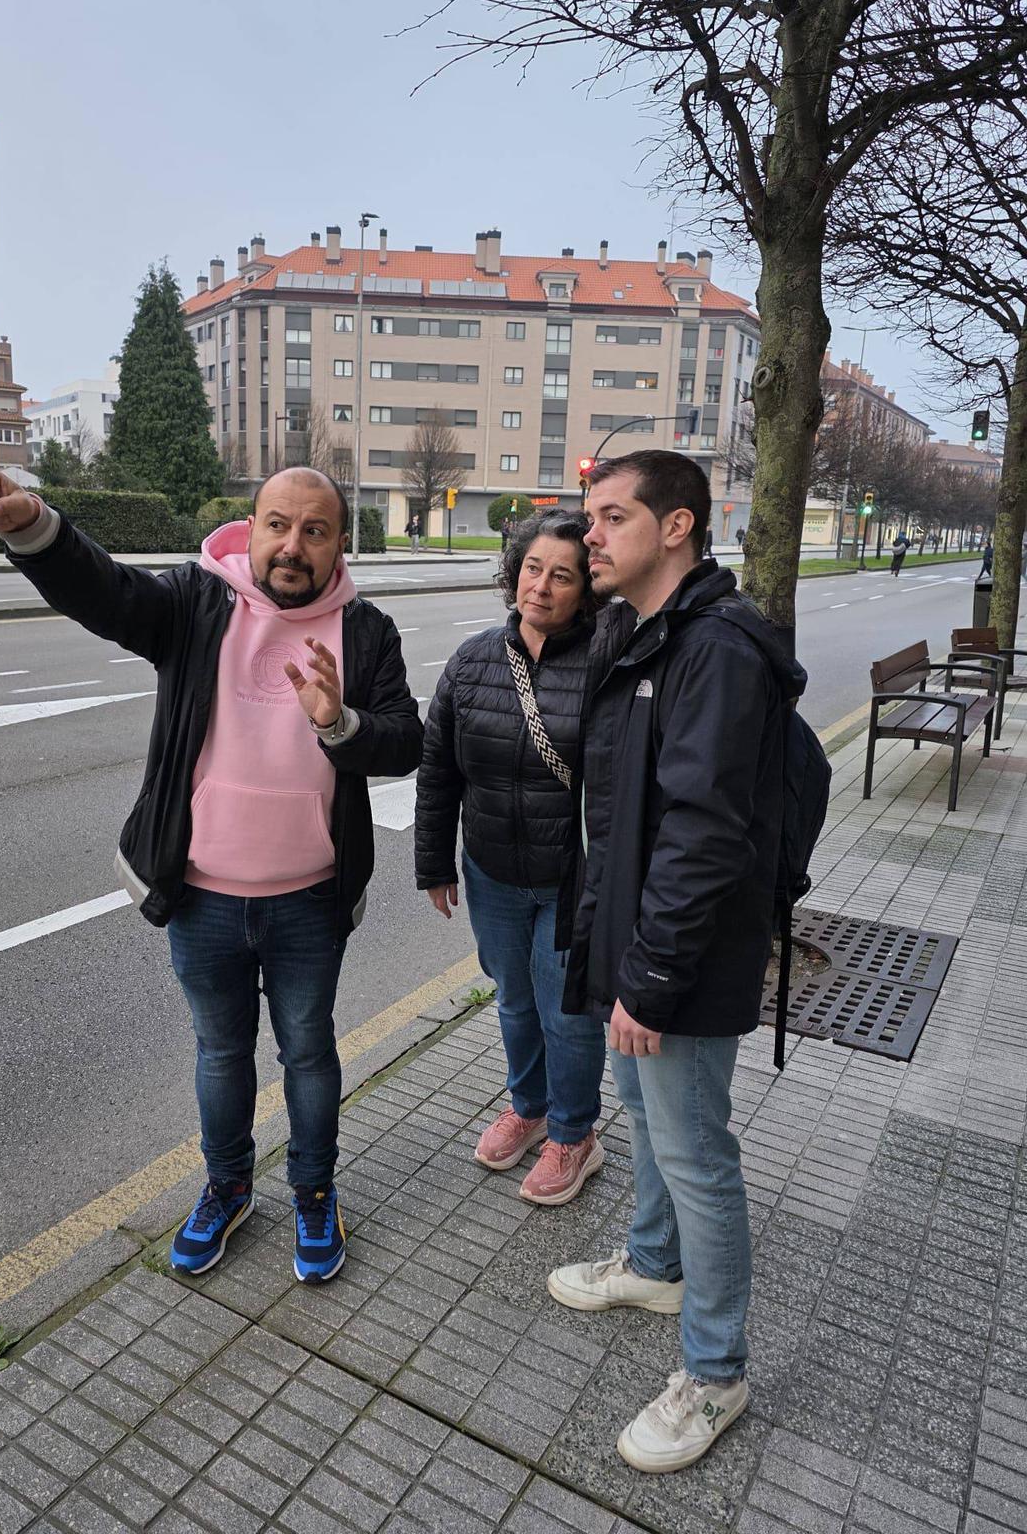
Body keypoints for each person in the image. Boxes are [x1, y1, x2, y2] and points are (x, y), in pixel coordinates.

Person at [0, 465, 422, 1285]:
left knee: (309, 1054)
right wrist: (32, 524)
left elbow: (404, 742)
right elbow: (108, 595)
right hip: (203, 892)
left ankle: (314, 1191)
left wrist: (338, 722)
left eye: (315, 530)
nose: (293, 545)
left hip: (310, 898)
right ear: (251, 529)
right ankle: (228, 1185)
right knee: (219, 1051)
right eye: (278, 524)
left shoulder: (366, 632)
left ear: (339, 542)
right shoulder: (198, 603)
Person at [546, 450, 805, 1474]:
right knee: (647, 1121)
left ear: (680, 526)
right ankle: (653, 1265)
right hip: (634, 937)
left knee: (699, 1156)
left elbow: (703, 833)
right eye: (588, 515)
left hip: (680, 957)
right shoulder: (644, 630)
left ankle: (715, 1370)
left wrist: (648, 978)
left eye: (611, 518)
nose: (588, 535)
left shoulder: (719, 650)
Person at [415, 512, 606, 1205]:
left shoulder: (608, 660)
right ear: (514, 571)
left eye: (562, 575)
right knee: (514, 1000)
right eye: (533, 568)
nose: (543, 586)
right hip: (491, 872)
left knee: (567, 1013)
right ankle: (528, 1107)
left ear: (585, 589)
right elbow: (438, 768)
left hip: (570, 879)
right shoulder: (472, 661)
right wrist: (434, 861)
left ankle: (575, 1133)